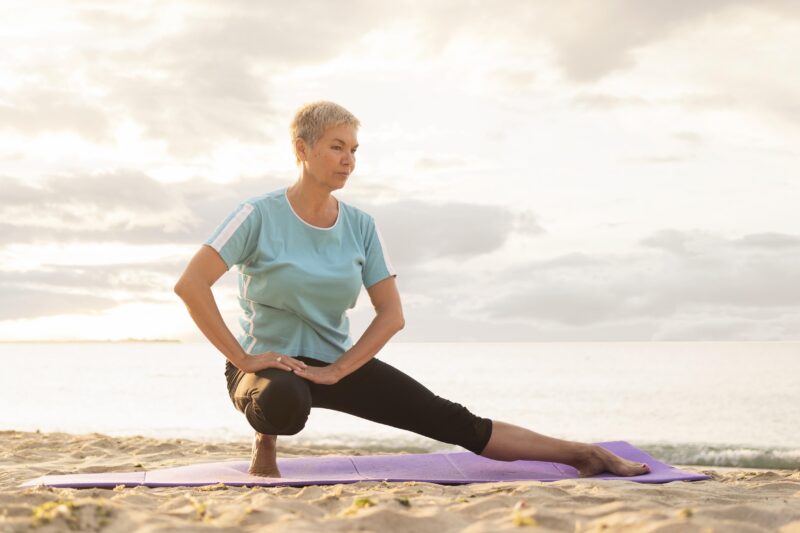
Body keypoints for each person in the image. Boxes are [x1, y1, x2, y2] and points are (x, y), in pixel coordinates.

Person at [174, 100, 651, 479]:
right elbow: (191, 285)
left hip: (336, 362)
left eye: (354, 149)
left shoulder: (361, 226)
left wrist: (340, 369)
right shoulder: (257, 214)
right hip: (267, 370)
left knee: (453, 421)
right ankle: (265, 439)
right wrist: (244, 358)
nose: (348, 160)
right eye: (337, 147)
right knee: (284, 402)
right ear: (302, 149)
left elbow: (391, 315)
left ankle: (584, 454)